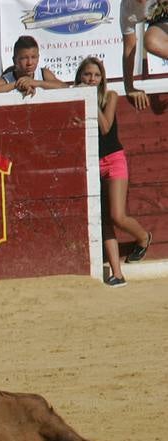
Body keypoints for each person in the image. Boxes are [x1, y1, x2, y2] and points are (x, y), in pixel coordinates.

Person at [77, 56, 152, 287]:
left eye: (96, 75)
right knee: (105, 221)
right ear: (80, 76)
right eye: (88, 74)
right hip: (91, 162)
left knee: (117, 216)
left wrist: (88, 98)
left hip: (113, 160)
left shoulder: (110, 96)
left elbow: (105, 126)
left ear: (102, 79)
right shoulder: (74, 95)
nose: (91, 79)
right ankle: (118, 274)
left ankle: (143, 237)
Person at [120, 0, 168, 110]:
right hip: (163, 21)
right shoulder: (128, 10)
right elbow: (129, 49)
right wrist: (129, 88)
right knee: (151, 41)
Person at [0, 36, 65, 96]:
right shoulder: (7, 79)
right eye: (24, 58)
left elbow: (64, 87)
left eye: (34, 57)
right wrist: (17, 84)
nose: (30, 63)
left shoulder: (43, 74)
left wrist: (36, 83)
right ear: (14, 60)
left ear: (38, 58)